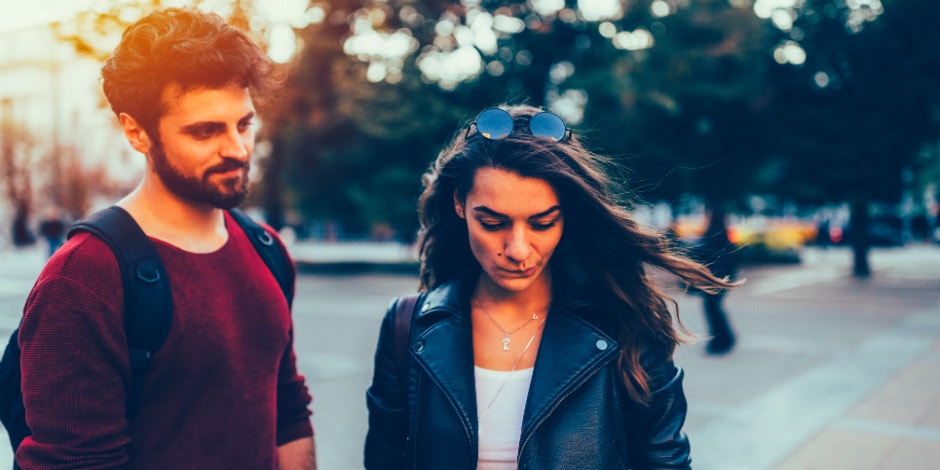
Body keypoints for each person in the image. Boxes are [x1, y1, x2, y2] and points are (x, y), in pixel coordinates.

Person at [16, 8, 316, 469]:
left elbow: (289, 411)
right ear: (136, 131)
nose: (236, 149)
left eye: (244, 124)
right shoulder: (83, 278)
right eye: (205, 131)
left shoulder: (268, 250)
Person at [364, 105, 736, 469]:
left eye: (543, 223)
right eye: (493, 223)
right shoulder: (407, 326)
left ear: (567, 215)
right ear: (460, 203)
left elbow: (663, 460)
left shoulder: (627, 321)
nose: (519, 250)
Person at [692, 207, 739, 355]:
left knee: (712, 309)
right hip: (722, 279)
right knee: (715, 308)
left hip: (713, 279)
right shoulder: (724, 232)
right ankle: (725, 338)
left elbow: (707, 255)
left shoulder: (713, 232)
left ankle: (721, 340)